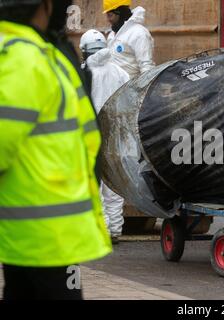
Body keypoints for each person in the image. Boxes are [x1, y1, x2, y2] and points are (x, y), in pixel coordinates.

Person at [0, 0, 112, 300]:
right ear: (46, 6)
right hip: (43, 229)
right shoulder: (22, 56)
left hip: (43, 226)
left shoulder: (38, 51)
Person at [80, 29, 130, 244]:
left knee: (94, 184)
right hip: (115, 134)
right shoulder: (120, 72)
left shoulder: (83, 71)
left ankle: (101, 229)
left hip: (91, 134)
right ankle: (115, 229)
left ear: (84, 50)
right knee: (113, 184)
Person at [103, 0, 155, 78]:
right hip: (115, 88)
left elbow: (147, 67)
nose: (108, 19)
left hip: (132, 88)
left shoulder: (139, 33)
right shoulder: (112, 35)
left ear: (119, 13)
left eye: (110, 15)